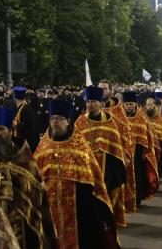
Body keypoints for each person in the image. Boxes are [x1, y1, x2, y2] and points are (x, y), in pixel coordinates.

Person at [34, 100, 120, 248]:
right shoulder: (43, 146)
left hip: (79, 207)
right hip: (50, 207)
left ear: (68, 121)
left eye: (60, 119)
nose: (55, 122)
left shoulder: (79, 145)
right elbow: (35, 177)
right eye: (52, 118)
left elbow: (93, 178)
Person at [0, 107, 57, 248]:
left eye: (1, 129)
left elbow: (37, 196)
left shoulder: (24, 160)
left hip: (21, 225)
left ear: (10, 131)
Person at [74, 86, 127, 227]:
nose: (90, 105)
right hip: (87, 167)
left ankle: (105, 221)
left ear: (100, 103)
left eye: (93, 102)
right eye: (88, 102)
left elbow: (115, 146)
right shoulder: (79, 122)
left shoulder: (110, 122)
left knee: (105, 194)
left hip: (106, 165)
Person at [123, 92, 159, 207]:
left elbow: (149, 135)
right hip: (123, 152)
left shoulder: (142, 118)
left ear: (135, 104)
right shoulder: (120, 119)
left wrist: (145, 152)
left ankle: (136, 199)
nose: (129, 106)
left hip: (138, 152)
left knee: (137, 176)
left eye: (131, 104)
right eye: (127, 104)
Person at [145, 98, 162, 178]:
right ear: (145, 106)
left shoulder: (158, 117)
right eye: (148, 105)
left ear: (154, 105)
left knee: (161, 156)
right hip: (147, 141)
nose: (149, 107)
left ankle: (160, 172)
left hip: (159, 140)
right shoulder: (142, 115)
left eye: (151, 105)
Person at [9, 86, 39, 152]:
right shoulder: (21, 107)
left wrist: (15, 124)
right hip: (19, 139)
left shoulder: (26, 109)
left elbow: (28, 125)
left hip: (25, 142)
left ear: (15, 97)